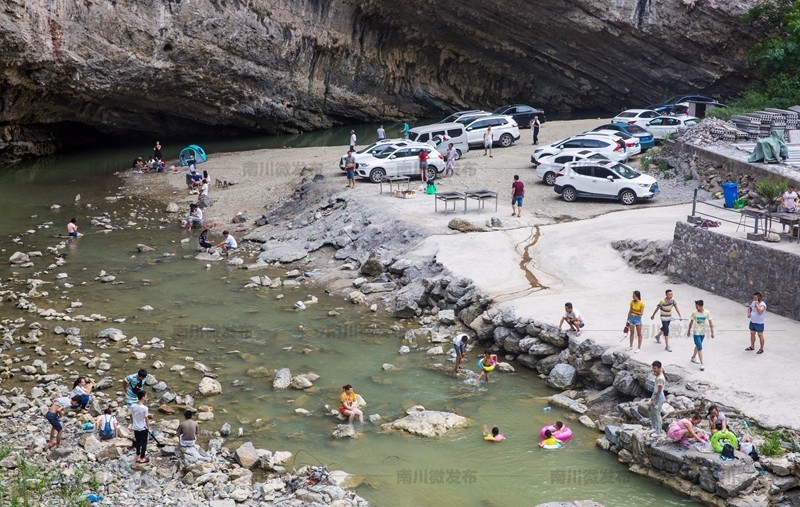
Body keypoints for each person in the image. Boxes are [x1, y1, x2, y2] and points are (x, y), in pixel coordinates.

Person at [687, 299, 714, 371]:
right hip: (696, 332)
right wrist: (689, 331)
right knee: (700, 347)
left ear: (701, 306)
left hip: (703, 332)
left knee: (698, 346)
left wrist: (712, 332)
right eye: (695, 306)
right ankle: (702, 363)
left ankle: (693, 357)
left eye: (697, 306)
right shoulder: (694, 313)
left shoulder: (707, 313)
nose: (696, 307)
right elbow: (691, 322)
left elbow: (710, 322)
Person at [131, 391, 151, 463]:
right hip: (143, 427)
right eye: (145, 396)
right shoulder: (145, 408)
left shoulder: (133, 406)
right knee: (144, 443)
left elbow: (132, 416)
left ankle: (138, 456)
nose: (146, 397)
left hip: (135, 427)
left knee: (138, 442)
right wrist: (149, 428)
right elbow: (146, 419)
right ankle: (142, 457)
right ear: (142, 397)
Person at [650, 361, 666, 434]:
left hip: (658, 397)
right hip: (655, 394)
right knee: (653, 412)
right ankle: (654, 427)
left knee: (657, 413)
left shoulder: (660, 378)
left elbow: (659, 390)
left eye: (655, 368)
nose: (653, 369)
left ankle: (658, 431)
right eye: (653, 368)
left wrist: (654, 399)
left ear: (659, 368)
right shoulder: (659, 373)